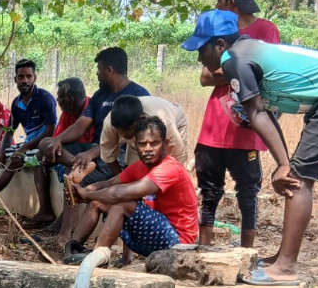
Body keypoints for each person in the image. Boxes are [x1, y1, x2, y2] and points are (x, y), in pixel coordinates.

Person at [184, 9, 318, 285]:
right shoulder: (247, 49)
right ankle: (282, 259)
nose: (199, 58)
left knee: (297, 179)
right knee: (294, 172)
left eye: (201, 49)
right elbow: (265, 114)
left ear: (219, 45)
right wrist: (282, 161)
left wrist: (284, 165)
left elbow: (257, 113)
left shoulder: (233, 60)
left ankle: (286, 268)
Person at [198, 0, 281, 248]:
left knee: (247, 193)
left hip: (246, 126)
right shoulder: (217, 27)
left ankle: (248, 253)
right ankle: (203, 249)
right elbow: (205, 77)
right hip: (214, 126)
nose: (217, 4)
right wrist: (240, 72)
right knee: (209, 192)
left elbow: (265, 77)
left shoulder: (266, 31)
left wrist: (230, 72)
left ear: (229, 1)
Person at [41, 47, 150, 243]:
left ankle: (65, 234)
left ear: (109, 70)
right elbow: (81, 124)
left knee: (71, 173)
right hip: (91, 149)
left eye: (99, 69)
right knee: (45, 144)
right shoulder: (100, 95)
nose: (96, 74)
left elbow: (125, 139)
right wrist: (57, 140)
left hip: (116, 155)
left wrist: (91, 154)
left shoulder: (138, 95)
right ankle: (81, 163)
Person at [64, 116, 198, 263]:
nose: (148, 149)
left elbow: (117, 194)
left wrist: (87, 194)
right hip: (158, 236)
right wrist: (81, 191)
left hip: (179, 242)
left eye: (154, 143)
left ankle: (97, 258)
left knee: (122, 204)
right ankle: (73, 248)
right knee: (97, 201)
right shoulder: (138, 167)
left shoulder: (169, 168)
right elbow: (106, 184)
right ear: (135, 145)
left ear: (165, 144)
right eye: (143, 144)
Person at [0, 59, 56, 216]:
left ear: (34, 78)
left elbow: (51, 130)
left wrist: (24, 147)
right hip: (28, 144)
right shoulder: (17, 103)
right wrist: (1, 150)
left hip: (44, 144)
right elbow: (10, 130)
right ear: (16, 79)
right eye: (21, 77)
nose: (24, 80)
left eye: (28, 76)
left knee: (15, 160)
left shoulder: (45, 98)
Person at [27, 77, 92, 229]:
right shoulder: (69, 111)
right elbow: (57, 140)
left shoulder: (92, 109)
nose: (57, 101)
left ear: (70, 99)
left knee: (71, 169)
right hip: (70, 154)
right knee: (40, 156)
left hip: (90, 156)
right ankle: (45, 210)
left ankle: (63, 228)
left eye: (59, 98)